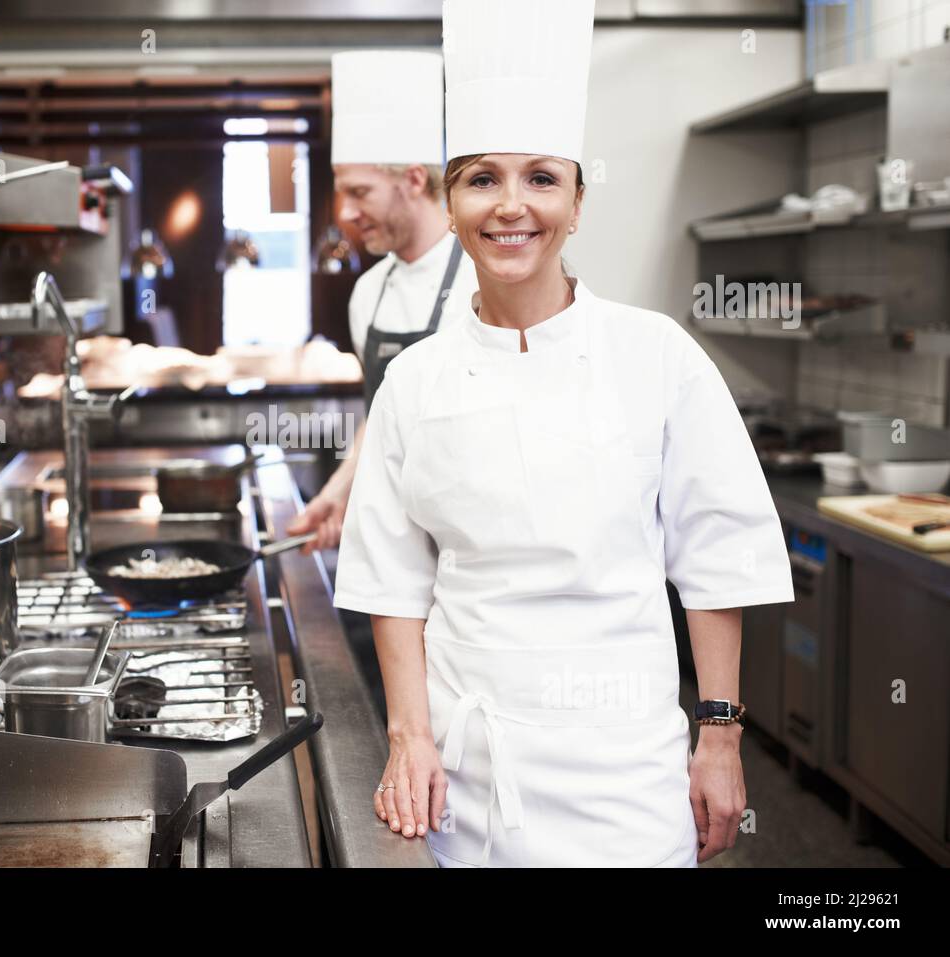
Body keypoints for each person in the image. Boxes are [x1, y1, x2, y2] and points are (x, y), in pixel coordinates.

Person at [332, 0, 795, 867]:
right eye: (482, 179)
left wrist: (721, 738)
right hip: (468, 777)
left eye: (542, 178)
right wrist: (409, 737)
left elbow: (715, 555)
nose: (513, 206)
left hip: (626, 776)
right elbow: (393, 579)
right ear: (454, 199)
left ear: (578, 201)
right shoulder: (416, 381)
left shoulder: (656, 355)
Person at [287, 50, 478, 554]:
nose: (346, 212)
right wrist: (337, 494)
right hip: (392, 544)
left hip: (472, 545)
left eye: (360, 192)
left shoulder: (482, 282)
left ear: (414, 180)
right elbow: (383, 418)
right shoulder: (368, 293)